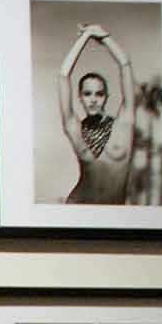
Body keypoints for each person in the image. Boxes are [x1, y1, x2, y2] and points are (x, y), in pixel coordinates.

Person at [57, 23, 136, 205]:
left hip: (114, 213)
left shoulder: (124, 123)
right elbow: (63, 77)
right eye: (87, 94)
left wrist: (104, 36)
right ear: (80, 97)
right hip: (78, 208)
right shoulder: (74, 128)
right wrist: (85, 37)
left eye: (99, 94)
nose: (93, 99)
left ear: (106, 97)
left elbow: (125, 65)